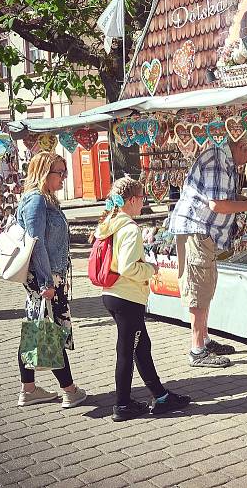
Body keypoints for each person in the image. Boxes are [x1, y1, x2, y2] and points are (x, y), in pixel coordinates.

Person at [94, 177, 190, 421]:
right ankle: (122, 404)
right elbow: (128, 267)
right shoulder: (129, 228)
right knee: (127, 351)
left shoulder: (110, 223)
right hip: (127, 295)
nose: (143, 204)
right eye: (142, 199)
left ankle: (161, 396)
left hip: (113, 293)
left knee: (140, 347)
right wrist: (150, 269)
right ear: (133, 200)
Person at [169, 135, 247, 368]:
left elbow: (224, 198)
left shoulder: (226, 162)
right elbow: (217, 204)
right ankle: (197, 350)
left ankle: (204, 339)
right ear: (242, 146)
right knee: (198, 289)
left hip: (204, 232)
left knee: (205, 286)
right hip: (196, 230)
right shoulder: (217, 161)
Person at [16, 152, 87, 408]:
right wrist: (48, 282)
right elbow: (36, 245)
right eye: (60, 172)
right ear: (45, 172)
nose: (64, 177)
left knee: (36, 330)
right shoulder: (36, 200)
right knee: (51, 332)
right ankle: (70, 390)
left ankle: (29, 389)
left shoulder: (45, 199)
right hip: (44, 278)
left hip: (47, 276)